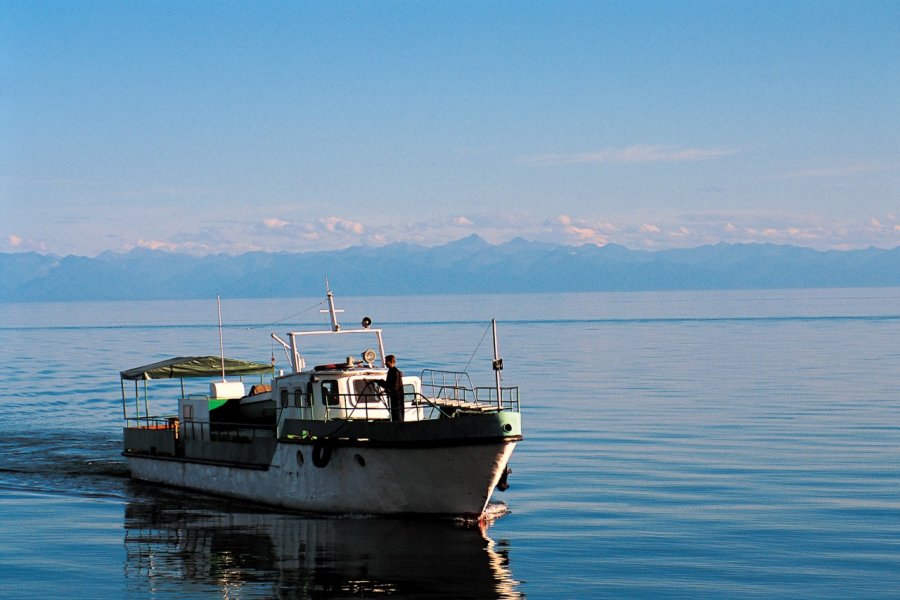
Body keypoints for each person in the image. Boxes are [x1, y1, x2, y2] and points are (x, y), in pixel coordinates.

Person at [378, 354, 405, 422]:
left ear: (390, 362)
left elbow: (393, 385)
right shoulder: (393, 371)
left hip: (397, 397)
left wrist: (385, 388)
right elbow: (390, 385)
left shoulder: (394, 372)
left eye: (386, 361)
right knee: (395, 413)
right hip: (396, 396)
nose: (385, 363)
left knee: (397, 413)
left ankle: (398, 425)